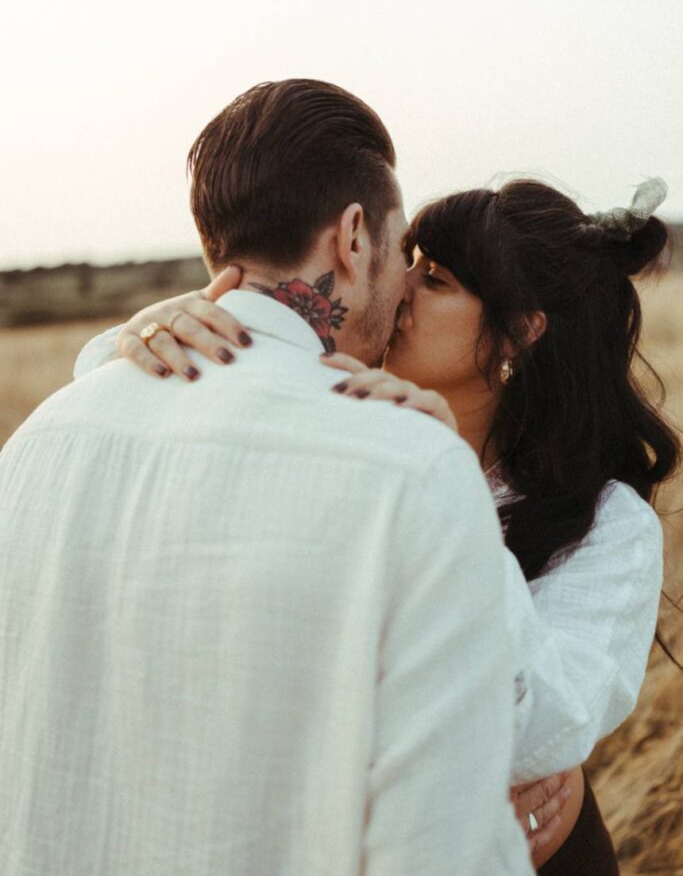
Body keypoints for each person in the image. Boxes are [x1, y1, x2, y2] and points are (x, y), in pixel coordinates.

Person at [0, 79, 535, 876]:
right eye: (400, 255)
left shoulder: (37, 444)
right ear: (353, 238)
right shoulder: (413, 471)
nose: (399, 288)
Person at [96, 172, 680, 873]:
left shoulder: (607, 524)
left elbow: (533, 729)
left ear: (520, 332)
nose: (398, 287)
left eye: (434, 279)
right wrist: (133, 342)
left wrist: (448, 492)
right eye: (409, 263)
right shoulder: (334, 422)